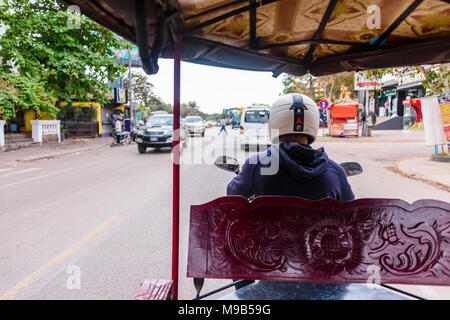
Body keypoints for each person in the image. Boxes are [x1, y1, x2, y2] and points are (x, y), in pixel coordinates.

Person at [227, 93, 354, 201]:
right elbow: (350, 210)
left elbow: (231, 196)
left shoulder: (255, 166)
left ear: (274, 122)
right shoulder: (335, 172)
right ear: (314, 122)